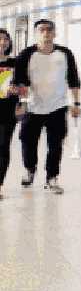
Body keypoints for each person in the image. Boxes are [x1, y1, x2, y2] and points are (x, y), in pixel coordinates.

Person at [13, 19, 81, 193]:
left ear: (54, 33)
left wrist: (76, 103)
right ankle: (30, 169)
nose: (46, 33)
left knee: (55, 145)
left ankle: (52, 178)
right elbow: (20, 81)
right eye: (41, 30)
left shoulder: (65, 53)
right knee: (27, 141)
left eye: (49, 29)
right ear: (36, 33)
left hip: (57, 107)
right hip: (32, 107)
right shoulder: (26, 54)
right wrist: (22, 103)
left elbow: (73, 79)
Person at [0, 29, 17, 199]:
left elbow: (24, 86)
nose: (2, 42)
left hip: (8, 112)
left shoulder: (14, 63)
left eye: (5, 39)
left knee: (3, 147)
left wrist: (16, 89)